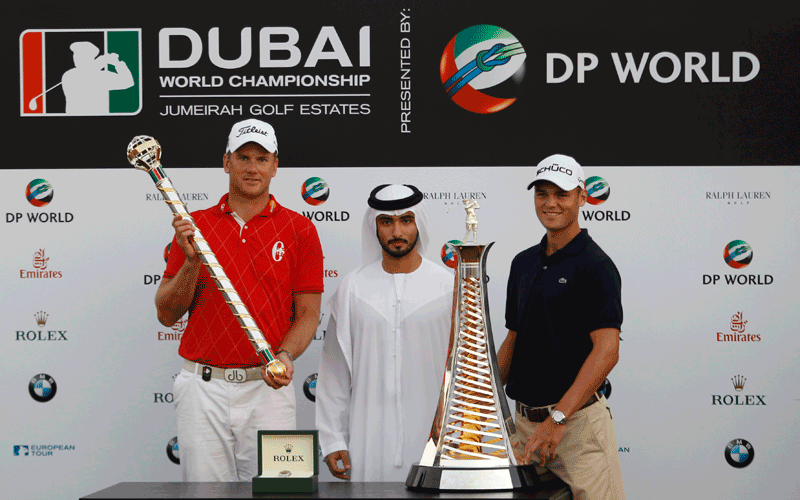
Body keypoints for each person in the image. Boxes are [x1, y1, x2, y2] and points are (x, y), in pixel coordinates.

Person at [155, 118, 324, 482]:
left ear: (275, 166)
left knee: (278, 491)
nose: (252, 168)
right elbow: (167, 315)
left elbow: (309, 314)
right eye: (243, 157)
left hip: (269, 389)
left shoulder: (300, 230)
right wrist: (192, 261)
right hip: (203, 390)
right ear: (226, 162)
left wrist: (285, 355)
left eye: (262, 159)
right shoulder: (193, 227)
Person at [498, 154, 625, 500]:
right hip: (523, 430)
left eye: (561, 194)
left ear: (582, 197)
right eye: (542, 193)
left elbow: (607, 351)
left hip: (577, 428)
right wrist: (481, 403)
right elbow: (514, 339)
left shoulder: (597, 265)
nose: (550, 203)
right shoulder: (522, 263)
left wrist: (557, 419)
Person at [316, 184, 454, 481]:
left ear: (419, 223)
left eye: (406, 220)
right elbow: (333, 372)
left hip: (437, 441)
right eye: (386, 222)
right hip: (369, 440)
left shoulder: (448, 287)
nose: (397, 231)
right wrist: (333, 439)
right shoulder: (353, 288)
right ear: (374, 226)